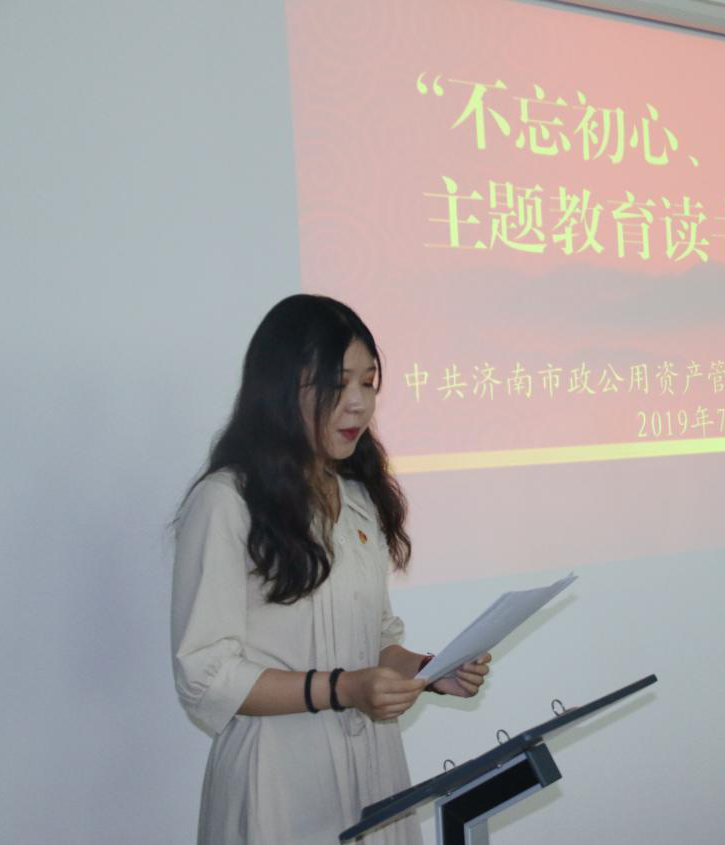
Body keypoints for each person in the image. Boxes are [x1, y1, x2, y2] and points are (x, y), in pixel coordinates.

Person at [171, 294, 490, 844]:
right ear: (280, 388)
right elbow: (206, 675)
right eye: (338, 385)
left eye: (368, 383)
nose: (359, 405)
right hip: (278, 777)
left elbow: (377, 640)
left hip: (372, 766)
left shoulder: (359, 498)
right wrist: (345, 689)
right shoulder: (227, 501)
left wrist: (430, 671)